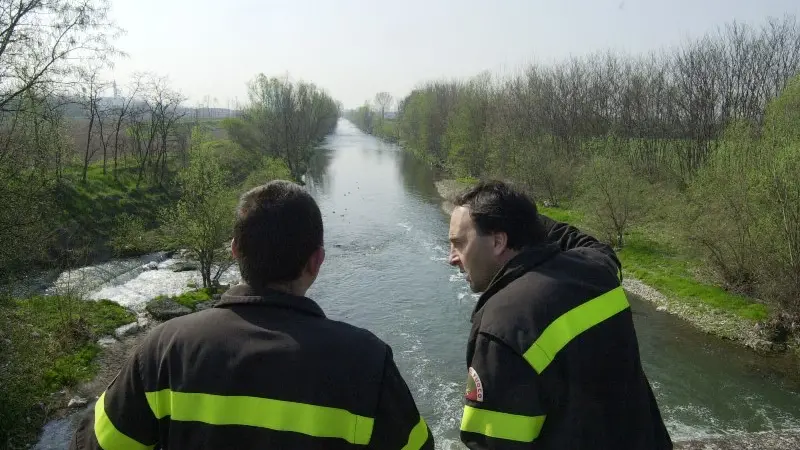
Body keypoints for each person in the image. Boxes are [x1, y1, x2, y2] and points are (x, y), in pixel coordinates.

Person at [70, 180, 434, 450]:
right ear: (316, 261)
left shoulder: (163, 350)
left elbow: (94, 444)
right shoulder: (367, 361)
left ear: (234, 251)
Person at [447, 180, 672, 449]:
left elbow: (492, 442)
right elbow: (589, 244)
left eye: (458, 243)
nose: (452, 257)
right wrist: (521, 218)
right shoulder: (598, 270)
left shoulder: (501, 327)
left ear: (498, 241)